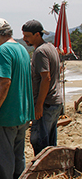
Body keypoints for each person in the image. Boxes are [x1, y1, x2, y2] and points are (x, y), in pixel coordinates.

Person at [0, 18, 34, 179]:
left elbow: (4, 82)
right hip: (21, 112)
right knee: (17, 155)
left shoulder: (3, 51)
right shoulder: (22, 49)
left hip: (5, 115)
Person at [22, 20, 63, 156]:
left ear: (38, 35)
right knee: (50, 141)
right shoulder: (50, 47)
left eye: (27, 36)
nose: (24, 39)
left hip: (46, 102)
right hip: (55, 100)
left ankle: (43, 172)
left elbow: (46, 78)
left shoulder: (40, 52)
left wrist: (39, 104)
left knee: (40, 142)